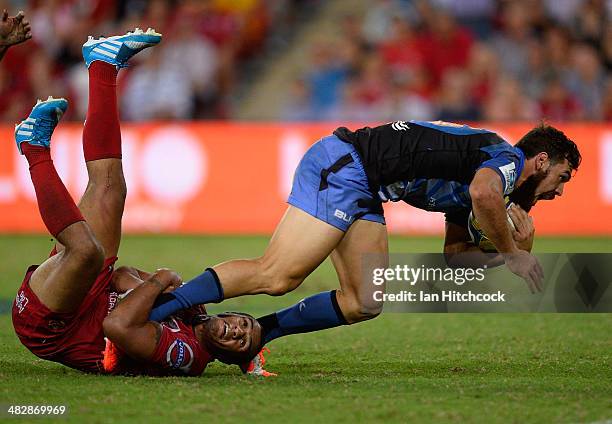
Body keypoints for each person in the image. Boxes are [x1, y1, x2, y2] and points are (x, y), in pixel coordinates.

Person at [149, 119, 581, 352]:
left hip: (366, 188)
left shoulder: (487, 179)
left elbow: (454, 255)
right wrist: (510, 250)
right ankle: (156, 314)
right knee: (277, 275)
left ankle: (257, 338)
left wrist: (506, 254)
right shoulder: (504, 160)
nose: (559, 192)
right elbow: (484, 194)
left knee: (365, 302)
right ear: (541, 160)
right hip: (346, 164)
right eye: (561, 177)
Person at [11, 28, 263, 376]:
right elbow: (122, 277)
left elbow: (117, 327)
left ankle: (34, 149)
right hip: (89, 293)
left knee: (87, 251)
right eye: (244, 324)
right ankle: (102, 65)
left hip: (52, 325)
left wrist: (161, 281)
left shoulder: (187, 355)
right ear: (235, 313)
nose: (236, 331)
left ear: (225, 357)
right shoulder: (193, 309)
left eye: (240, 342)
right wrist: (145, 288)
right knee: (112, 190)